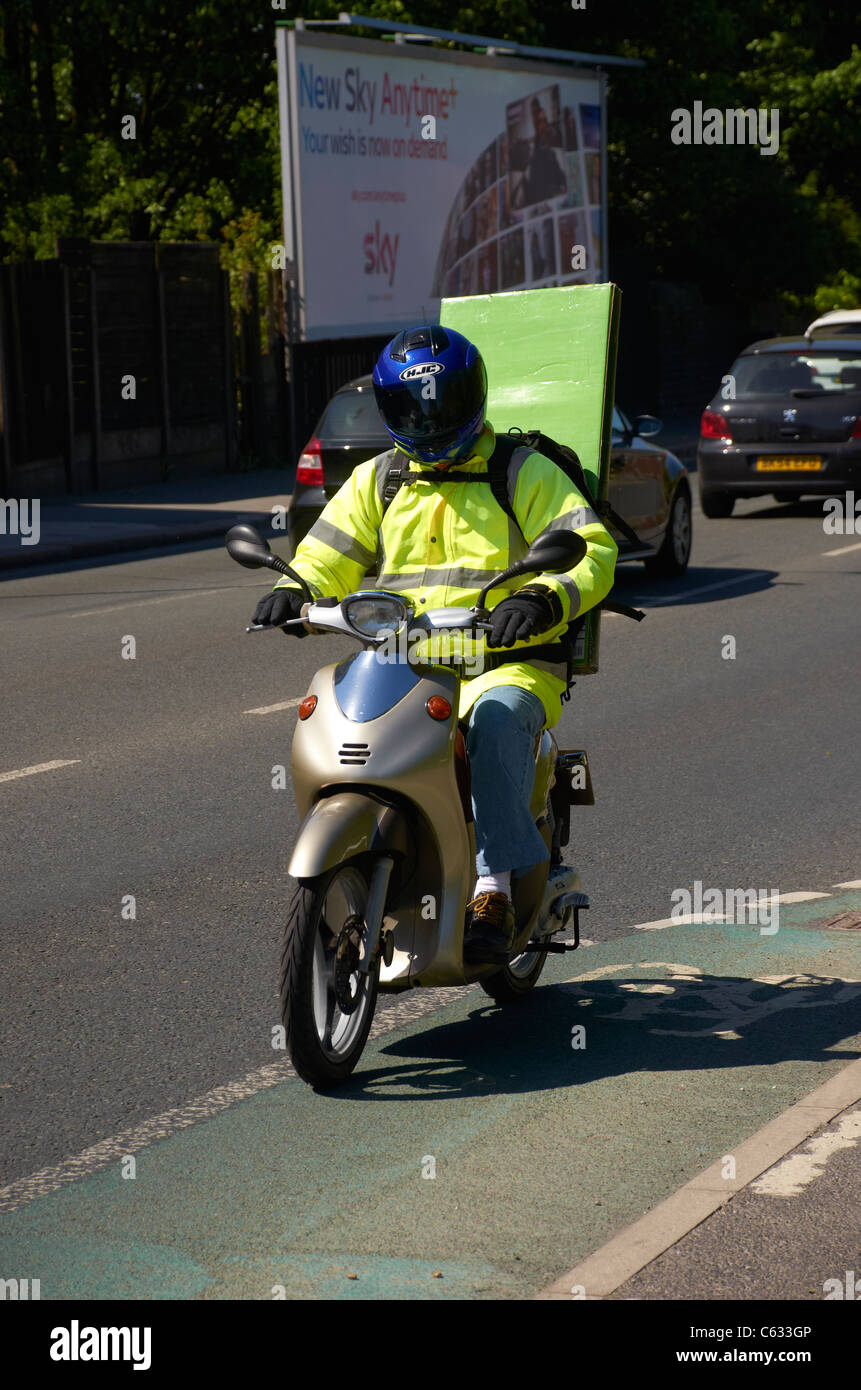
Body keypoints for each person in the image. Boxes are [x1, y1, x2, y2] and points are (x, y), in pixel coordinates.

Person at [253, 325, 617, 963]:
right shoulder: (382, 479)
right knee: (340, 721)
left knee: (497, 722)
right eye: (409, 407)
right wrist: (298, 588)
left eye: (440, 404)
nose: (426, 420)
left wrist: (542, 598)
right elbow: (327, 553)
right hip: (406, 660)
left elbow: (591, 551)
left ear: (472, 397)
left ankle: (493, 888)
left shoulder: (520, 470)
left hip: (505, 661)